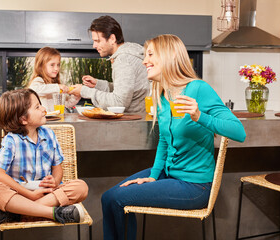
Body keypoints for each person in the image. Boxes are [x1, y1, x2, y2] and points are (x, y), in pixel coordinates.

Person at [101, 34, 246, 240]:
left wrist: (199, 116)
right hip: (169, 175)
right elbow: (163, 142)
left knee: (118, 199)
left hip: (195, 185)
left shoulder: (198, 89)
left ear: (168, 57)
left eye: (150, 54)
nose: (144, 61)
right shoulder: (162, 95)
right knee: (108, 198)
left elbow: (239, 132)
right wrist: (154, 175)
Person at [0, 88, 88, 225]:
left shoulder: (49, 134)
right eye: (37, 107)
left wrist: (54, 181)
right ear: (23, 119)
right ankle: (52, 213)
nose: (44, 109)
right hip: (18, 195)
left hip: (46, 194)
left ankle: (19, 213)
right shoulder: (11, 141)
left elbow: (57, 168)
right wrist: (29, 194)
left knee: (81, 187)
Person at [69, 15, 150, 113]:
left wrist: (85, 91)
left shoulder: (123, 60)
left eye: (97, 41)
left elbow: (119, 103)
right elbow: (128, 90)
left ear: (112, 39)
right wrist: (98, 84)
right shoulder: (129, 53)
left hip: (135, 121)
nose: (94, 45)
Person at [27, 47, 80, 112]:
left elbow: (67, 104)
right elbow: (33, 90)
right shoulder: (39, 80)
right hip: (47, 120)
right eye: (52, 65)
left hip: (57, 119)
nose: (56, 68)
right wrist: (57, 87)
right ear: (41, 66)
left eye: (58, 65)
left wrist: (76, 96)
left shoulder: (55, 83)